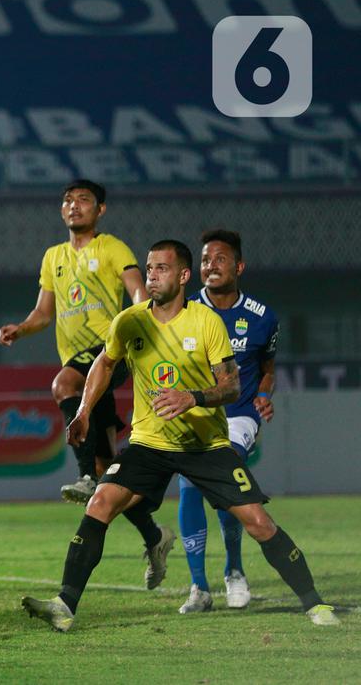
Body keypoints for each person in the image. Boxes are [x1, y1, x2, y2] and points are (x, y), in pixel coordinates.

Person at [21, 240, 338, 631]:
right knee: (100, 502)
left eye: (162, 269)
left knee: (258, 522)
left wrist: (192, 397)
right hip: (149, 443)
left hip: (204, 446)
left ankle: (315, 604)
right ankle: (64, 605)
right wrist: (84, 411)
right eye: (150, 268)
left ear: (184, 276)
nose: (152, 275)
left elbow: (231, 387)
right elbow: (104, 364)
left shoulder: (206, 323)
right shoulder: (130, 320)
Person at [0, 180, 176, 589]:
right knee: (110, 470)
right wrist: (20, 330)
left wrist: (144, 321)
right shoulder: (53, 257)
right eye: (68, 200)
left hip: (111, 353)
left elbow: (136, 290)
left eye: (83, 200)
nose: (73, 206)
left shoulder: (112, 248)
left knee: (62, 386)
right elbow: (44, 313)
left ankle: (84, 477)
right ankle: (155, 536)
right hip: (87, 375)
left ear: (101, 210)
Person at [177, 229, 279, 613]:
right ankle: (199, 587)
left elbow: (267, 369)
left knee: (220, 481)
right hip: (194, 414)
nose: (210, 266)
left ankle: (234, 569)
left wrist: (265, 395)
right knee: (189, 488)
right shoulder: (183, 311)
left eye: (219, 259)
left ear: (238, 266)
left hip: (238, 416)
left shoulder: (262, 317)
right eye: (205, 260)